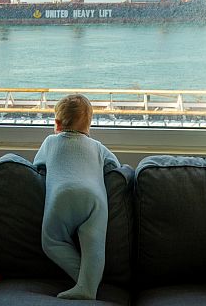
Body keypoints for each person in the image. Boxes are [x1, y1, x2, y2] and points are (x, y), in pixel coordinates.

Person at [34, 94, 121, 300]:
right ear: (89, 124)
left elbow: (37, 164)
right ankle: (89, 287)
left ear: (57, 124)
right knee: (94, 244)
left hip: (63, 194)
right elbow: (115, 165)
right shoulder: (98, 147)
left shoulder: (50, 142)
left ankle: (81, 279)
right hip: (94, 198)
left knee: (53, 241)